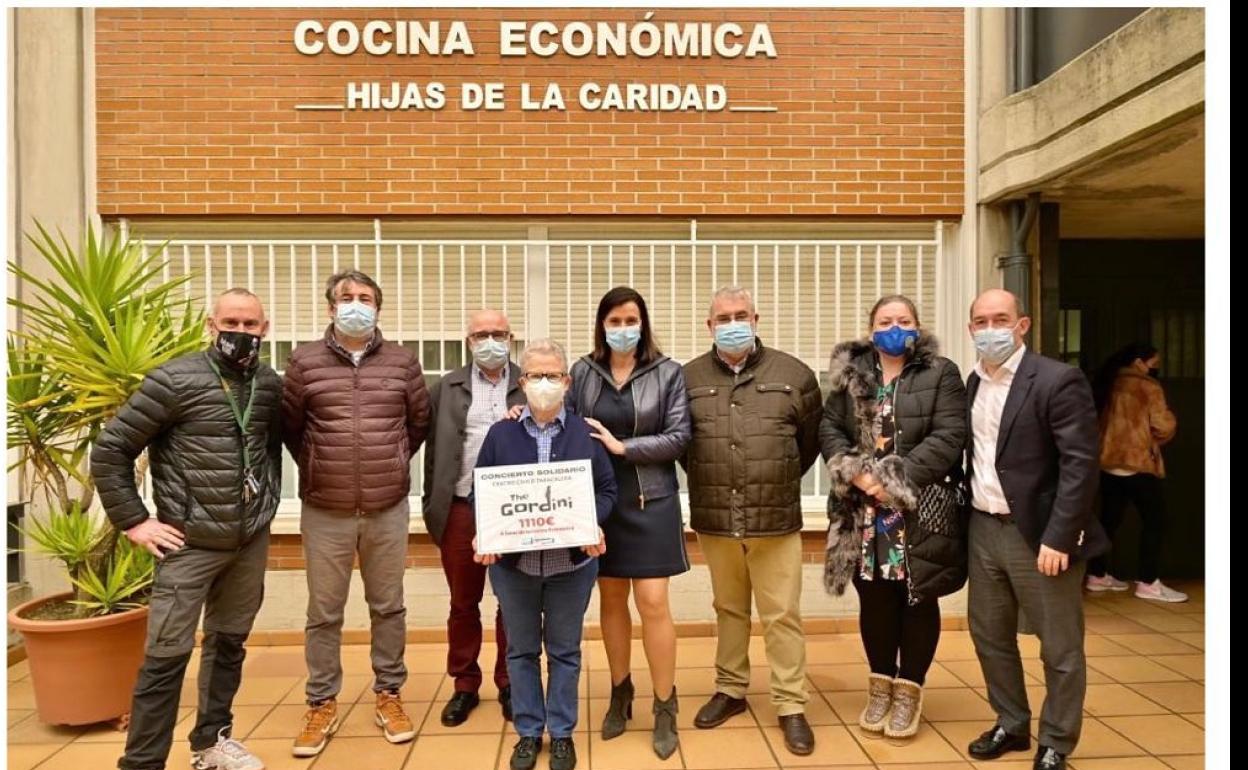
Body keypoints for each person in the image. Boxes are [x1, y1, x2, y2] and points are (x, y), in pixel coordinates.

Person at [92, 289, 282, 770]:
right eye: (231, 323)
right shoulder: (174, 380)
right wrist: (135, 521)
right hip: (188, 543)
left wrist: (267, 506)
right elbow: (111, 450)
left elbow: (271, 449)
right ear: (210, 325)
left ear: (265, 329)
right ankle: (142, 762)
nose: (240, 333)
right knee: (165, 655)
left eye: (250, 325)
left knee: (229, 644)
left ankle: (211, 743)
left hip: (247, 541)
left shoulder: (268, 382)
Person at [280, 270, 431, 756]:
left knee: (388, 606)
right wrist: (325, 469)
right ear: (330, 308)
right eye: (346, 298)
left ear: (378, 308)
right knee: (324, 612)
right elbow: (291, 428)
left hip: (386, 506)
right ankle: (321, 701)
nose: (356, 305)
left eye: (365, 298)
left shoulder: (403, 362)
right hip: (325, 509)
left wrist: (385, 464)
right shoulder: (303, 362)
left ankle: (389, 693)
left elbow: (417, 424)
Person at [963, 289, 1107, 770]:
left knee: (1060, 647)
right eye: (980, 321)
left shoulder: (1057, 380)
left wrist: (1060, 537)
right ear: (970, 330)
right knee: (990, 636)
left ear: (1021, 325)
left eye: (999, 319)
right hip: (984, 529)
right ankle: (1012, 722)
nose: (990, 329)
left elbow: (1080, 465)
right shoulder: (972, 383)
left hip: (1041, 536)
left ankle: (1057, 742)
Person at [681, 286, 823, 756]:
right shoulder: (688, 378)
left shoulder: (794, 375)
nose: (732, 323)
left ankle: (789, 703)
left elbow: (808, 444)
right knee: (729, 608)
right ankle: (731, 690)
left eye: (741, 315)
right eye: (723, 317)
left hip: (775, 517)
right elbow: (685, 447)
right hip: (717, 516)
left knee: (782, 614)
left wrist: (773, 479)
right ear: (709, 326)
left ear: (757, 318)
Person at [820, 294, 968, 738]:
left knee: (918, 599)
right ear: (871, 329)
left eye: (904, 320)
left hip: (917, 509)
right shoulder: (850, 374)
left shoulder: (941, 373)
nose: (894, 327)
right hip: (862, 512)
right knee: (876, 601)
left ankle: (909, 690)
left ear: (918, 328)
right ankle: (881, 683)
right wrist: (857, 474)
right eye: (886, 321)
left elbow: (950, 434)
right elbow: (830, 428)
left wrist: (896, 480)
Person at [474, 339, 618, 770]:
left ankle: (561, 732)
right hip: (514, 568)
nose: (544, 382)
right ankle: (528, 731)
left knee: (564, 652)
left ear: (567, 381)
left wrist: (593, 523)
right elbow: (480, 491)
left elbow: (607, 490)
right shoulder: (501, 434)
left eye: (553, 375)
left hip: (571, 565)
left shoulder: (585, 434)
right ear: (522, 382)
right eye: (535, 375)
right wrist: (485, 535)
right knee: (520, 652)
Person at [566, 287, 691, 759]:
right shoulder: (582, 371)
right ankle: (621, 692)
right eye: (614, 321)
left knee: (654, 603)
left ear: (644, 323)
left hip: (651, 500)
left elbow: (679, 437)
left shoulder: (668, 372)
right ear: (601, 325)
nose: (622, 329)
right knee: (612, 599)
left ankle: (665, 704)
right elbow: (563, 421)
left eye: (630, 320)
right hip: (599, 501)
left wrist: (624, 447)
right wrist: (522, 414)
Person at [423, 308, 526, 726]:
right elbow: (425, 445)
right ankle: (465, 685)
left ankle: (509, 682)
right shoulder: (445, 387)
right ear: (468, 341)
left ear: (511, 337)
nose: (490, 341)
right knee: (463, 603)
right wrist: (434, 503)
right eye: (481, 333)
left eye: (498, 332)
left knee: (512, 603)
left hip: (513, 509)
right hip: (461, 507)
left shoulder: (528, 383)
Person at [1087, 343, 1185, 602]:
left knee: (1108, 520)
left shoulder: (1106, 382)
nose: (1155, 368)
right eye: (1154, 363)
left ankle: (1097, 574)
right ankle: (1149, 581)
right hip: (1137, 462)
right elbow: (1162, 425)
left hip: (1106, 462)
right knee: (1156, 521)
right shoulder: (1147, 386)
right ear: (1140, 362)